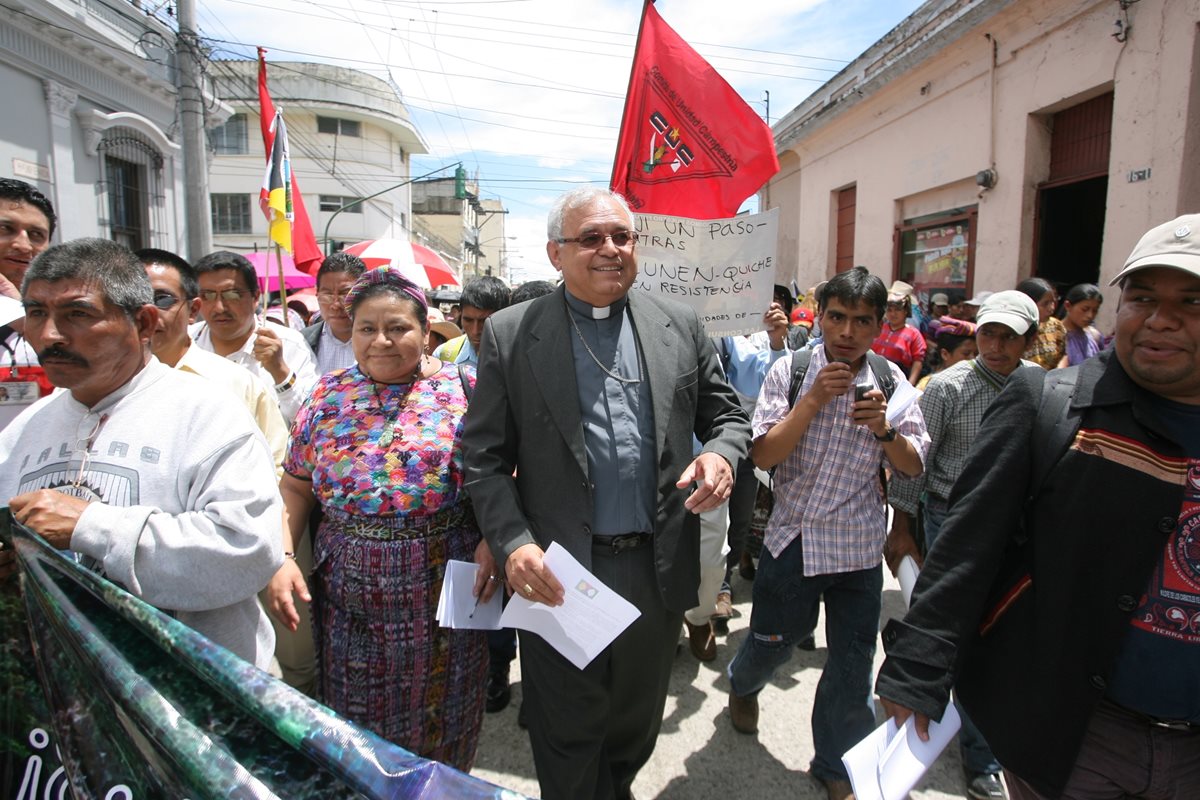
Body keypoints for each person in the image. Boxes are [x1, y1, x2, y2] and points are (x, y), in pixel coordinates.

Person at [875, 213, 1200, 798]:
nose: (1161, 319)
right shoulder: (1047, 404)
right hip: (1075, 736)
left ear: (1030, 340)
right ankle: (982, 759)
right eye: (1143, 297)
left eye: (1192, 301)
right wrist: (920, 659)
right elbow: (969, 545)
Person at [462, 187, 750, 800]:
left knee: (634, 726)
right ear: (555, 253)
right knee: (566, 733)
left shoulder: (679, 322)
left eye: (622, 236)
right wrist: (511, 542)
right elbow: (483, 459)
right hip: (558, 571)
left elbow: (726, 415)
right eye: (591, 238)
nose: (610, 250)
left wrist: (720, 454)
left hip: (655, 567)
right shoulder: (512, 335)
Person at [1, 238, 282, 668]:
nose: (50, 335)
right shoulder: (24, 428)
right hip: (64, 696)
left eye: (78, 314)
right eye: (37, 313)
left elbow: (249, 551)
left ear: (145, 322)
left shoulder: (208, 414)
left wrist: (92, 526)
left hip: (192, 705)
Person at [269, 266, 497, 769]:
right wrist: (283, 554)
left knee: (446, 716)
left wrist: (495, 539)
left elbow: (510, 470)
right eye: (367, 328)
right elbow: (295, 485)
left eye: (398, 328)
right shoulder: (327, 395)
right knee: (355, 722)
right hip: (350, 591)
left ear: (427, 329)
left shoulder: (468, 389)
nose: (382, 341)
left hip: (445, 580)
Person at [726, 266, 928, 800]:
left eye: (862, 321)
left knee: (852, 663)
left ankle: (836, 765)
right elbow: (764, 454)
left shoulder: (890, 381)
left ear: (879, 324)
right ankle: (743, 683)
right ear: (819, 317)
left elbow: (911, 465)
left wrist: (883, 429)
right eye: (837, 317)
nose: (847, 332)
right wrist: (811, 401)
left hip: (857, 546)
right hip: (792, 540)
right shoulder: (790, 371)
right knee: (774, 642)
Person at [887, 290, 1040, 800]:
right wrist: (902, 528)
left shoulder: (1043, 390)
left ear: (1029, 341)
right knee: (958, 626)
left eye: (1007, 337)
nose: (995, 346)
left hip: (1015, 521)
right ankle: (976, 755)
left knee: (998, 632)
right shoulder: (947, 388)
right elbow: (915, 465)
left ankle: (982, 743)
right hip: (950, 514)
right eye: (988, 334)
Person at [136, 248, 288, 473]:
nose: (146, 313)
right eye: (134, 300)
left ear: (192, 309)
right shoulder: (91, 388)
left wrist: (280, 371)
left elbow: (278, 469)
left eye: (162, 300)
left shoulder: (239, 385)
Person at [190, 251, 318, 424]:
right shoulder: (185, 344)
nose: (219, 307)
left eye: (231, 295)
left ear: (256, 297)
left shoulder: (290, 345)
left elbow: (312, 419)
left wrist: (280, 372)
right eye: (208, 296)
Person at [0, 179, 56, 431]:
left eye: (36, 235)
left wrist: (20, 317)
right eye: (5, 228)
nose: (23, 246)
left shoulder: (74, 319)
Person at [302, 251, 365, 376]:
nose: (335, 305)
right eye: (328, 295)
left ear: (365, 295)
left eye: (345, 294)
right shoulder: (302, 343)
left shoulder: (381, 344)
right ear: (317, 295)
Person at [433, 275, 510, 366]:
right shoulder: (444, 355)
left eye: (484, 322)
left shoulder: (519, 358)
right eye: (468, 320)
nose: (475, 331)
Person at [871, 280, 926, 385]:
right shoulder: (879, 327)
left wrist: (909, 385)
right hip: (872, 374)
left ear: (906, 311)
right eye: (889, 310)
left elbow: (917, 362)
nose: (893, 314)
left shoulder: (914, 334)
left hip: (896, 379)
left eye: (897, 310)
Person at [1015, 277, 1066, 370]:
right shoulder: (1012, 329)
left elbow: (1063, 356)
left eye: (1053, 302)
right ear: (1028, 304)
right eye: (1045, 303)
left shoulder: (1055, 326)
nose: (1052, 308)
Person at [915, 319, 978, 391]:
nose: (972, 358)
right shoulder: (927, 386)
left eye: (976, 354)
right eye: (966, 354)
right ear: (945, 354)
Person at [1060, 282, 1105, 367]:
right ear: (1068, 306)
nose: (1090, 315)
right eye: (1085, 309)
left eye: (1095, 310)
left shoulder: (1094, 336)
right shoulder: (1055, 335)